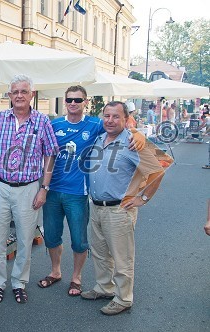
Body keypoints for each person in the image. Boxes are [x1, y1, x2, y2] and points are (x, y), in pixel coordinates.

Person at [39, 86, 145, 296]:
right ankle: (55, 271)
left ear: (85, 102)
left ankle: (76, 278)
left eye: (78, 100)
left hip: (78, 193)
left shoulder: (96, 124)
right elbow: (45, 151)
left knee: (79, 240)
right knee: (51, 236)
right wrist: (44, 186)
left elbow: (119, 125)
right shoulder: (54, 124)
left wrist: (136, 132)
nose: (72, 103)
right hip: (52, 191)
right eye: (69, 99)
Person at [81, 101, 168, 315]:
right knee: (100, 254)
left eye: (116, 116)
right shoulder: (100, 138)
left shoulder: (132, 142)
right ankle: (104, 287)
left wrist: (143, 198)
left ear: (125, 119)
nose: (110, 120)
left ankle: (123, 298)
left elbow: (159, 169)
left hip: (119, 210)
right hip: (97, 207)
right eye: (107, 116)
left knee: (122, 258)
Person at [0, 74, 58, 304]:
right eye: (15, 91)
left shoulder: (42, 121)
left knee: (25, 239)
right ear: (9, 95)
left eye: (23, 91)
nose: (19, 95)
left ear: (31, 95)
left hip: (29, 188)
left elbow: (50, 154)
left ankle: (19, 282)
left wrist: (44, 188)